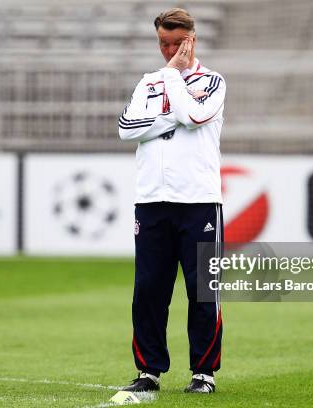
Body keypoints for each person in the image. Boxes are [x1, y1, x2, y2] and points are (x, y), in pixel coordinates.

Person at [117, 7, 226, 394]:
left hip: (198, 202)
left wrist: (173, 83)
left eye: (176, 43)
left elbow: (195, 117)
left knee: (202, 290)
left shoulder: (213, 81)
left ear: (191, 39)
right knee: (149, 290)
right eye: (163, 43)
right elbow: (126, 128)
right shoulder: (149, 81)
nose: (169, 51)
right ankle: (148, 372)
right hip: (151, 201)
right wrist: (171, 107)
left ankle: (204, 373)